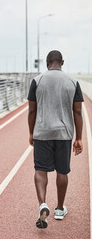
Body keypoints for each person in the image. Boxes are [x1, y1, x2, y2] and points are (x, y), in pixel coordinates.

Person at [28, 50, 84, 229]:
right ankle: (59, 209)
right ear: (62, 62)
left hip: (42, 132)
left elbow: (31, 111)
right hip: (64, 133)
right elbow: (77, 111)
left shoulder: (37, 81)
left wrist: (31, 132)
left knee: (40, 170)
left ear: (46, 63)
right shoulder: (73, 82)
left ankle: (42, 203)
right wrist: (79, 138)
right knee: (62, 171)